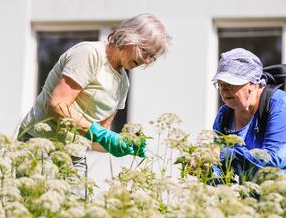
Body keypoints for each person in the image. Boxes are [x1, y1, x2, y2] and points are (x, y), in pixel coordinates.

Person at [18, 13, 171, 164]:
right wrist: (100, 134)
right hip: (40, 144)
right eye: (145, 51)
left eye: (152, 57)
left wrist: (118, 144)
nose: (146, 60)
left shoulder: (123, 83)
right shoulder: (90, 54)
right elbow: (56, 106)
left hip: (74, 155)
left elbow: (96, 140)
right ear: (130, 37)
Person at [211, 48, 286, 183]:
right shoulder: (224, 115)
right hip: (258, 198)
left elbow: (273, 161)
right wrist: (206, 168)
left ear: (253, 83)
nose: (224, 90)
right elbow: (222, 173)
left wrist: (225, 154)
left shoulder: (281, 104)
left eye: (230, 84)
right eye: (220, 84)